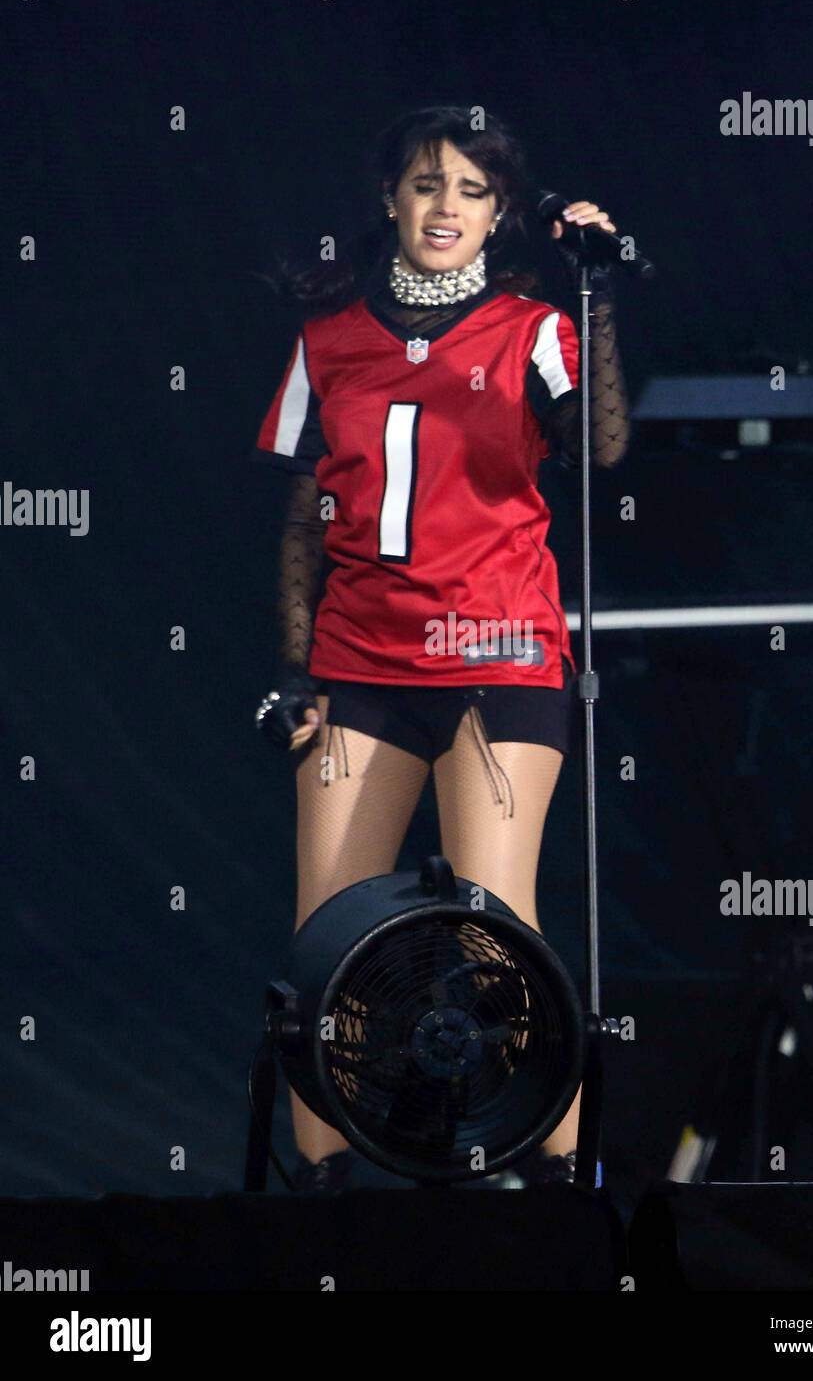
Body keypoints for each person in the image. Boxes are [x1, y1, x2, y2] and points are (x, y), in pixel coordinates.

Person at [251, 105, 629, 1194]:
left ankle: (541, 1178)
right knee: (327, 940)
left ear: (499, 210)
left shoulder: (532, 329)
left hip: (499, 660)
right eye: (427, 185)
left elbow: (599, 447)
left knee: (489, 931)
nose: (445, 207)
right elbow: (297, 515)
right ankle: (320, 1191)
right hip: (362, 667)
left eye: (470, 190)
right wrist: (296, 671)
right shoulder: (328, 341)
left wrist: (597, 298)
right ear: (390, 199)